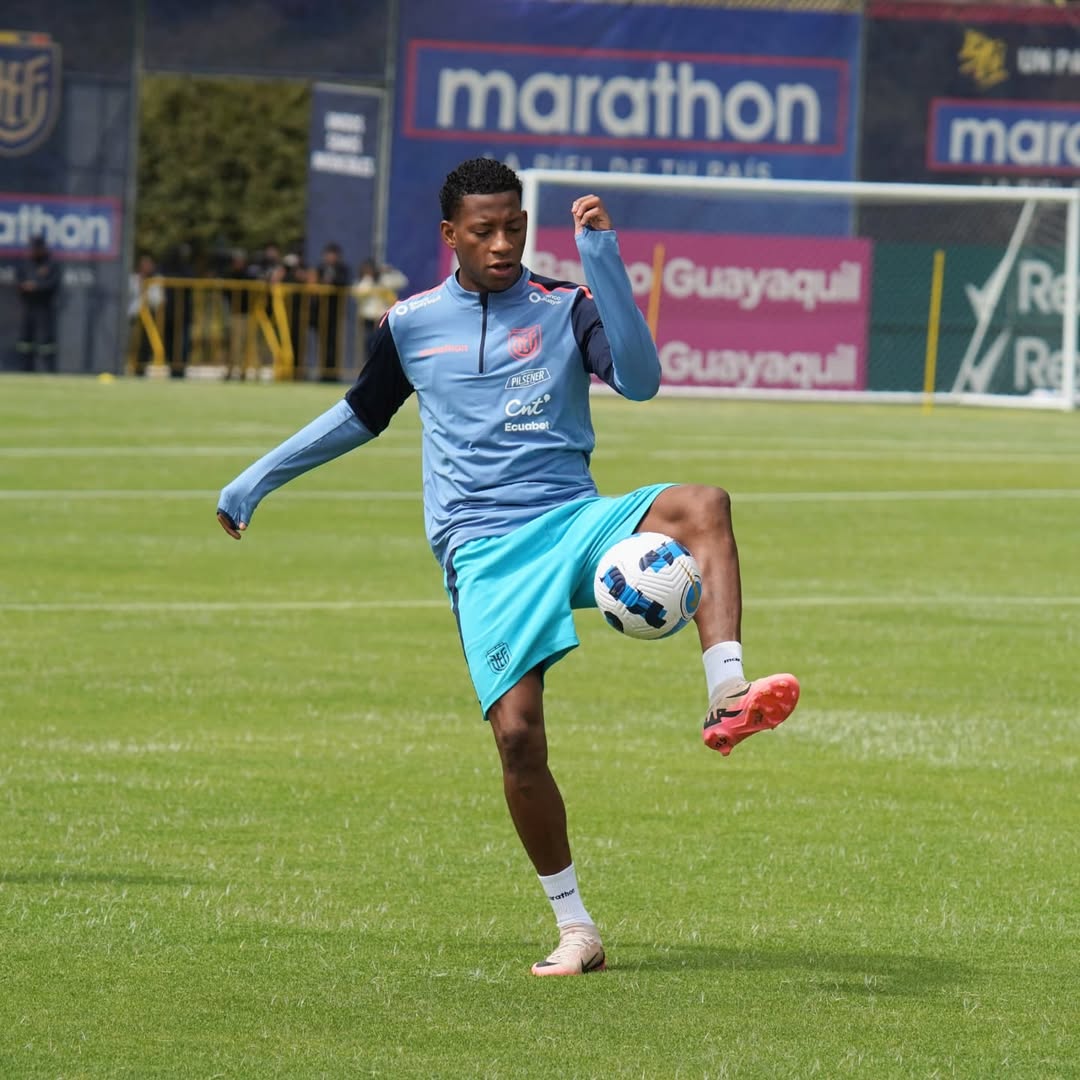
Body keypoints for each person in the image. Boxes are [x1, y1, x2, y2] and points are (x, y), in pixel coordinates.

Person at [216, 158, 800, 977]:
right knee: (519, 740)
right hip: (484, 550)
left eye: (514, 228)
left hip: (573, 522)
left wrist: (603, 261)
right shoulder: (410, 324)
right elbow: (360, 416)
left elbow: (641, 381)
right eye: (483, 231)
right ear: (449, 234)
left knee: (703, 503)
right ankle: (576, 928)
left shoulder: (565, 304)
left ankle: (727, 692)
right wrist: (255, 480)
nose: (501, 244)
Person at [15, 235, 61, 372]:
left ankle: (49, 371)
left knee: (46, 342)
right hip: (28, 306)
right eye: (32, 248)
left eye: (36, 248)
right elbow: (19, 282)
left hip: (44, 307)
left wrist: (36, 286)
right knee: (25, 341)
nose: (33, 251)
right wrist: (25, 286)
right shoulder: (26, 264)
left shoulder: (51, 264)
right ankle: (25, 370)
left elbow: (53, 284)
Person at [310, 242, 350, 381]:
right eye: (328, 254)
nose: (330, 257)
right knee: (322, 342)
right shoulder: (320, 268)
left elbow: (344, 282)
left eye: (333, 254)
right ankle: (323, 372)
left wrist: (332, 282)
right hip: (320, 312)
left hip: (335, 311)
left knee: (333, 342)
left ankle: (333, 373)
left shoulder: (342, 269)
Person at [353, 256, 408, 349]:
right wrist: (368, 278)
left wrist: (391, 272)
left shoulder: (384, 279)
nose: (369, 271)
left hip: (384, 316)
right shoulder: (363, 282)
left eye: (371, 269)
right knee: (370, 342)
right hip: (369, 317)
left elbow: (403, 282)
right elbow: (360, 293)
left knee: (384, 342)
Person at [128, 252, 163, 376]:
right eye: (143, 264)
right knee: (130, 343)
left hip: (148, 317)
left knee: (145, 345)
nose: (146, 266)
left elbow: (157, 300)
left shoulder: (156, 280)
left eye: (148, 264)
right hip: (133, 316)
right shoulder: (133, 279)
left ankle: (140, 369)